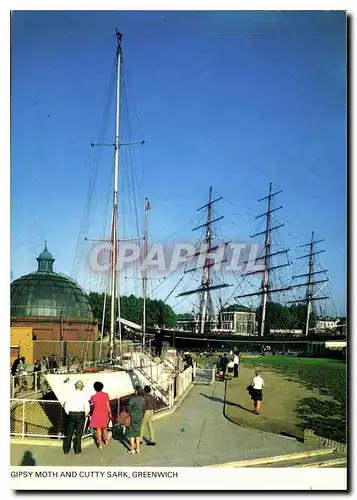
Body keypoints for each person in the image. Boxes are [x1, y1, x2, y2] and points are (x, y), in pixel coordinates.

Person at [63, 380, 90, 455]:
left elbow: (66, 405)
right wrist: (85, 413)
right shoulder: (84, 395)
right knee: (79, 433)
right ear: (82, 387)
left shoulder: (70, 394)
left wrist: (69, 413)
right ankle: (77, 450)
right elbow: (87, 406)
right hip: (80, 414)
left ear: (75, 386)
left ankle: (66, 450)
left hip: (71, 414)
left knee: (69, 433)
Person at [89, 381, 112, 450]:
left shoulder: (93, 397)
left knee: (98, 430)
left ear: (95, 388)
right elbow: (108, 405)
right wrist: (110, 413)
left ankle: (100, 445)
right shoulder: (106, 395)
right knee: (105, 428)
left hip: (96, 414)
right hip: (104, 413)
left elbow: (91, 403)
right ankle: (106, 441)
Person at [126, 386, 145, 454]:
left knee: (132, 435)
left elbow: (128, 407)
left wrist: (130, 411)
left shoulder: (132, 399)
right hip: (139, 417)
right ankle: (137, 449)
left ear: (136, 391)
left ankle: (132, 449)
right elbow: (144, 408)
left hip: (132, 417)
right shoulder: (142, 399)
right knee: (137, 434)